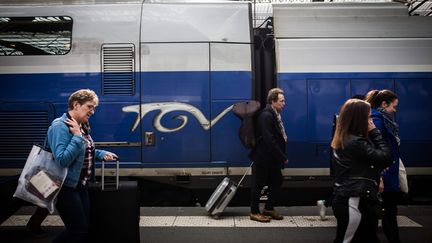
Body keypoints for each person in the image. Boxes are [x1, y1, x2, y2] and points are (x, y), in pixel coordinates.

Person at [47, 89, 117, 243]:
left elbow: (82, 150)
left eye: (94, 108)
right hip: (65, 187)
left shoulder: (80, 125)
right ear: (76, 104)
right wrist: (77, 136)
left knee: (84, 229)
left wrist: (100, 153)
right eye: (90, 107)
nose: (93, 111)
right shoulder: (60, 126)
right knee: (78, 231)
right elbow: (62, 160)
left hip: (80, 184)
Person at [331, 99, 392, 243]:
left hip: (355, 197)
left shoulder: (345, 138)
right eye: (369, 117)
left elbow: (362, 163)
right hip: (354, 199)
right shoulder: (356, 142)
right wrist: (375, 133)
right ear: (360, 119)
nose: (372, 122)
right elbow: (387, 157)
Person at [366, 89, 402, 243]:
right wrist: (380, 176)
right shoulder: (378, 121)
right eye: (393, 107)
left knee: (385, 213)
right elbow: (376, 150)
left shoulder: (381, 119)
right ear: (383, 104)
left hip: (386, 173)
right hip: (384, 176)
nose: (394, 110)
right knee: (387, 212)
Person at [249, 88, 288, 223]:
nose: (284, 103)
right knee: (258, 184)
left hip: (270, 157)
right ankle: (254, 212)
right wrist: (282, 156)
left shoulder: (274, 114)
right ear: (273, 101)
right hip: (263, 157)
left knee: (277, 180)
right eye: (282, 101)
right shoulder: (267, 115)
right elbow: (269, 139)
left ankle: (269, 208)